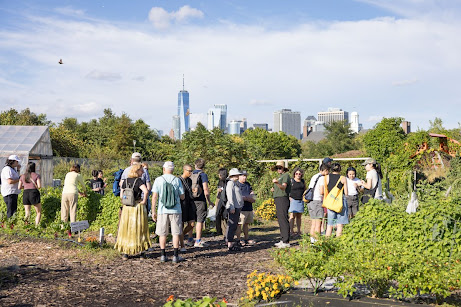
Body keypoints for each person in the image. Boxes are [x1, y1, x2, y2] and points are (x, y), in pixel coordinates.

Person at [115, 164, 151, 260]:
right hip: (137, 208)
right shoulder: (138, 181)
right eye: (141, 171)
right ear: (137, 171)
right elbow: (146, 191)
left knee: (126, 229)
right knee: (139, 228)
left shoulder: (125, 181)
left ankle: (126, 252)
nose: (143, 172)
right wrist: (144, 201)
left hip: (127, 208)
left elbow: (121, 195)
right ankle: (141, 252)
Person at [152, 161, 185, 263]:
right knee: (175, 233)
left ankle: (163, 255)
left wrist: (153, 211)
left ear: (163, 169)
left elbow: (154, 197)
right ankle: (175, 256)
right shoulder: (177, 180)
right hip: (176, 210)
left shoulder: (158, 180)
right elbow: (182, 196)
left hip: (162, 210)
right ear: (173, 169)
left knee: (163, 233)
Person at [319, 163, 348, 237]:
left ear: (331, 169)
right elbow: (346, 192)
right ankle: (338, 241)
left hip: (330, 201)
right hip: (340, 202)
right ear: (340, 169)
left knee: (330, 224)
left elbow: (325, 190)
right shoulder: (343, 178)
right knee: (340, 224)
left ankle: (327, 241)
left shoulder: (326, 177)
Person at [191, 158, 214, 248]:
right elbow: (205, 189)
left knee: (192, 219)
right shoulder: (203, 175)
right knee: (200, 220)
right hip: (200, 200)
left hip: (191, 199)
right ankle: (198, 240)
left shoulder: (191, 173)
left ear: (195, 165)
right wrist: (209, 201)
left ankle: (189, 239)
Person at [271, 161, 292, 248]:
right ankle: (283, 239)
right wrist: (274, 189)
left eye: (280, 168)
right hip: (278, 199)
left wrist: (276, 184)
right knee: (280, 219)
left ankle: (286, 241)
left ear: (284, 168)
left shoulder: (285, 176)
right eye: (277, 168)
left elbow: (283, 187)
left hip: (283, 199)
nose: (278, 169)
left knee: (283, 219)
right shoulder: (280, 177)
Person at [307, 163, 329, 243]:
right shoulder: (322, 178)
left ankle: (312, 241)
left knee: (313, 222)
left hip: (311, 201)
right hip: (317, 201)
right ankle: (317, 241)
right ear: (325, 170)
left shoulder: (314, 176)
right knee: (318, 223)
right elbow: (321, 191)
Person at [225, 168, 244, 251]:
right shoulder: (230, 183)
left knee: (234, 225)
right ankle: (230, 243)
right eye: (237, 175)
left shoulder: (236, 183)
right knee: (232, 225)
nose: (238, 176)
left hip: (237, 207)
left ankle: (231, 241)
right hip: (233, 207)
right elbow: (230, 196)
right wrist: (232, 207)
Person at [178, 164, 196, 250]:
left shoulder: (189, 180)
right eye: (189, 171)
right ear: (184, 170)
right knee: (180, 225)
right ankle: (181, 244)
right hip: (181, 204)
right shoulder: (178, 180)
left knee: (192, 224)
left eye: (191, 171)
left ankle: (180, 237)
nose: (190, 173)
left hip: (189, 204)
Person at [236, 170, 256, 246]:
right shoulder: (237, 184)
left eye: (245, 176)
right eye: (243, 176)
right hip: (241, 208)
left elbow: (252, 192)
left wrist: (253, 197)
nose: (244, 177)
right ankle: (238, 239)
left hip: (249, 207)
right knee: (239, 224)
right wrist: (246, 198)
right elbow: (237, 196)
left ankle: (246, 238)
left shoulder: (248, 184)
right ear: (239, 176)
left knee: (246, 224)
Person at [288, 167, 306, 237]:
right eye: (297, 173)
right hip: (293, 200)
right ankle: (291, 231)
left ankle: (299, 231)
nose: (298, 175)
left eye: (299, 173)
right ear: (294, 174)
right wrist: (289, 197)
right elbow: (287, 189)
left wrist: (304, 197)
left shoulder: (303, 181)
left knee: (299, 216)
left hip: (300, 200)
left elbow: (305, 189)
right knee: (292, 216)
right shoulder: (291, 181)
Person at [215, 168, 228, 237]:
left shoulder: (227, 181)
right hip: (219, 198)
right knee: (217, 214)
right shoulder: (220, 181)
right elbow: (218, 189)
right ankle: (219, 231)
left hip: (225, 199)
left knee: (224, 215)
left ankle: (225, 231)